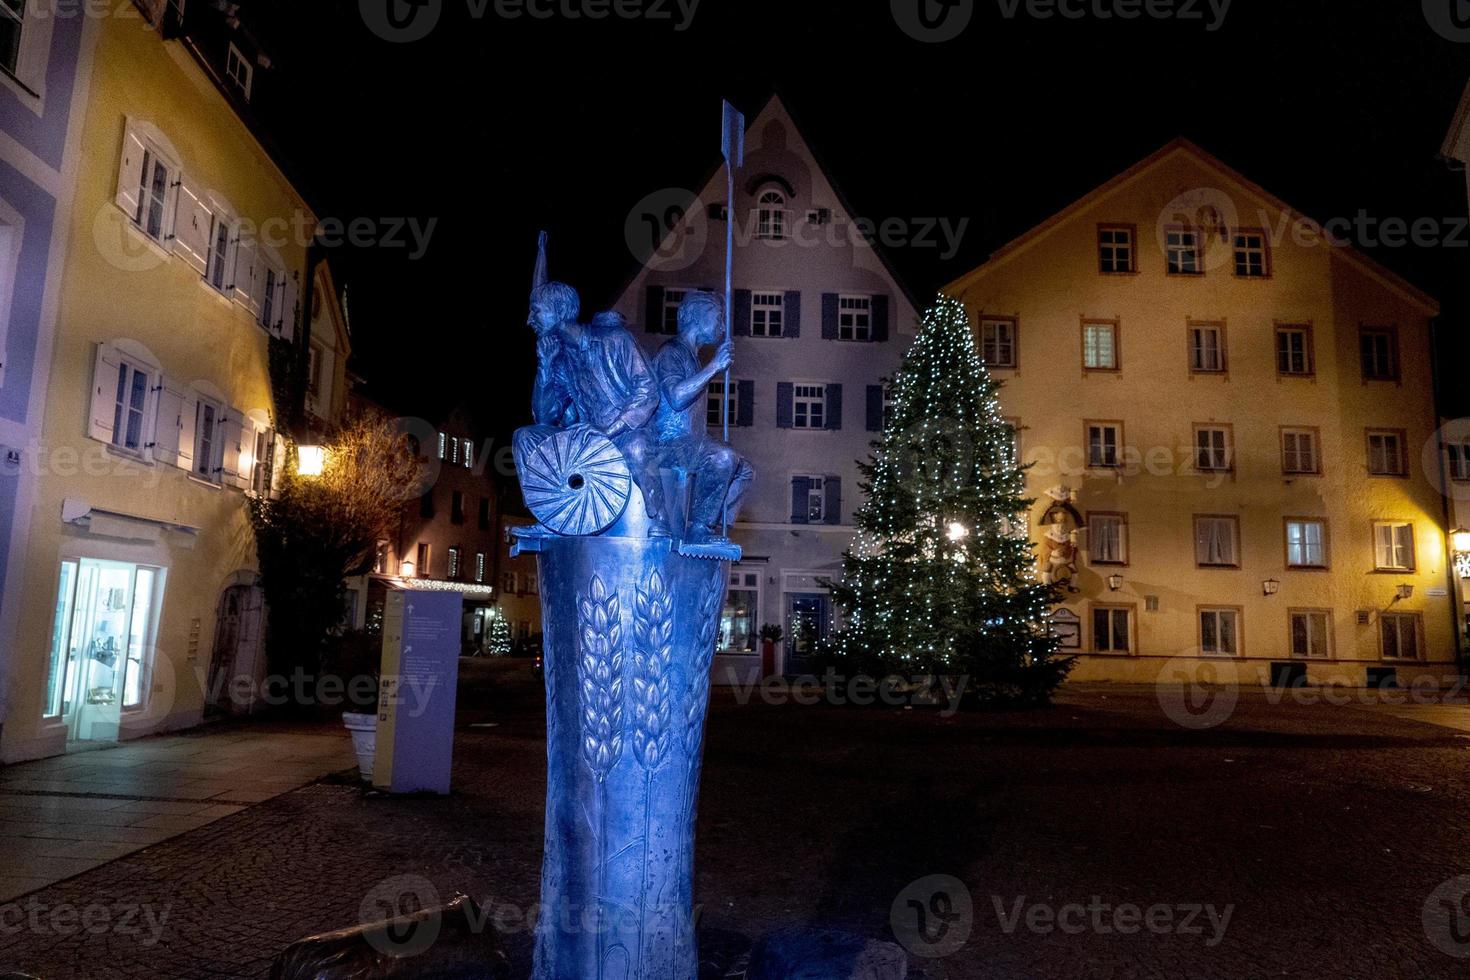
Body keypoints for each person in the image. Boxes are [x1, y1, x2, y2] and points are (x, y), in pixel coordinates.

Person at [513, 282, 668, 531]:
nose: (530, 320)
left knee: (637, 448)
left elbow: (648, 389)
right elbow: (545, 416)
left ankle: (659, 519)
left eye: (536, 311)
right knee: (526, 438)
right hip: (588, 439)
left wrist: (610, 429)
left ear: (561, 310)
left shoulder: (615, 339)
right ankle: (547, 515)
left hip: (626, 432)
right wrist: (545, 366)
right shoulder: (561, 359)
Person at [651, 291, 753, 540]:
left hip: (692, 443)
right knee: (724, 457)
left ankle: (709, 523)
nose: (722, 326)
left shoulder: (693, 357)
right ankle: (699, 527)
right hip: (670, 443)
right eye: (718, 318)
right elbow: (676, 397)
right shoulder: (671, 352)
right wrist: (715, 366)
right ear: (697, 316)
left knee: (744, 470)